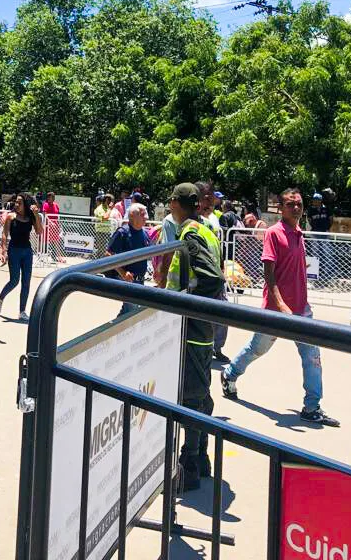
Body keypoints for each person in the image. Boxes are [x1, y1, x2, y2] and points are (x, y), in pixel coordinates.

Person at [221, 188, 340, 427]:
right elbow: (269, 276)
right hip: (276, 310)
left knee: (312, 357)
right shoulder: (274, 234)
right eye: (290, 204)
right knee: (258, 349)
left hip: (301, 309)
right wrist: (282, 305)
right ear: (281, 208)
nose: (295, 208)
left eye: (298, 204)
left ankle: (312, 406)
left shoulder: (298, 233)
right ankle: (230, 374)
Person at [162, 183, 223, 491]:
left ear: (176, 204)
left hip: (192, 327)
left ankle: (191, 462)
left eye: (170, 200)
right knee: (201, 393)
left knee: (192, 396)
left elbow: (213, 279)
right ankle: (202, 457)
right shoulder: (209, 231)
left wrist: (185, 304)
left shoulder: (191, 236)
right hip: (202, 326)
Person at [0, 193, 44, 321]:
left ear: (25, 204)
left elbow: (39, 232)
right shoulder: (11, 217)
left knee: (26, 282)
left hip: (27, 251)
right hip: (14, 250)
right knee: (14, 280)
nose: (16, 205)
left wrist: (36, 215)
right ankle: (1, 297)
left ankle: (22, 311)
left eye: (19, 203)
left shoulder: (30, 217)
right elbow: (5, 234)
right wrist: (3, 251)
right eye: (16, 202)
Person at [105, 203, 151, 316]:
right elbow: (108, 254)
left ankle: (115, 329)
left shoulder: (144, 233)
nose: (147, 217)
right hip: (128, 280)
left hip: (140, 280)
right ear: (133, 215)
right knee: (132, 310)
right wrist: (123, 273)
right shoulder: (122, 232)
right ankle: (115, 330)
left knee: (129, 312)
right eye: (143, 214)